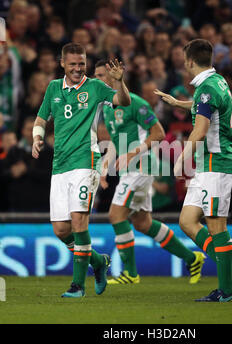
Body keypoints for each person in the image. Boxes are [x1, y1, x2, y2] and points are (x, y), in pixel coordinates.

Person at [31, 42, 131, 298]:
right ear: (62, 63)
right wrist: (37, 136)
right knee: (61, 230)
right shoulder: (54, 87)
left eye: (82, 63)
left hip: (86, 162)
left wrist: (120, 82)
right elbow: (42, 118)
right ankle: (98, 262)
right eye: (73, 63)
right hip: (60, 165)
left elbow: (123, 101)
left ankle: (77, 285)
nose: (78, 68)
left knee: (78, 222)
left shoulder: (96, 87)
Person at [94, 60, 205, 285]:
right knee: (143, 223)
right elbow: (116, 141)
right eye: (95, 76)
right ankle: (192, 258)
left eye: (101, 76)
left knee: (116, 215)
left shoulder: (136, 103)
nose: (97, 81)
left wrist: (133, 153)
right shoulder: (106, 106)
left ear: (113, 77)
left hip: (142, 167)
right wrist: (106, 164)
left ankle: (131, 273)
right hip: (130, 169)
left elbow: (159, 134)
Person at [154, 38, 232, 302]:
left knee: (217, 225)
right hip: (208, 166)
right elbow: (208, 108)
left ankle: (225, 290)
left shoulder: (206, 88)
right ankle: (230, 269)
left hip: (217, 164)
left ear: (190, 61)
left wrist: (182, 157)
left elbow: (201, 128)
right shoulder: (217, 83)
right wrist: (178, 102)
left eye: (185, 59)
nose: (184, 64)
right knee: (187, 221)